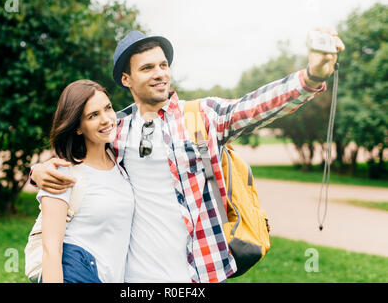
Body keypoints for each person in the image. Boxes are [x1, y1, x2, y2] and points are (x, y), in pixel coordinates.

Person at [30, 28, 345, 283]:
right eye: (147, 67)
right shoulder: (117, 129)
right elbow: (77, 158)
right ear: (126, 79)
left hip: (195, 275)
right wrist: (38, 170)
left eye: (163, 65)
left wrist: (310, 78)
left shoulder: (202, 116)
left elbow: (255, 106)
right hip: (130, 279)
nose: (160, 74)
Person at [37, 79, 134, 283]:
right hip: (76, 275)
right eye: (93, 115)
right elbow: (51, 250)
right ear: (78, 127)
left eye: (108, 108)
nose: (107, 119)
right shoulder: (63, 174)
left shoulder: (120, 165)